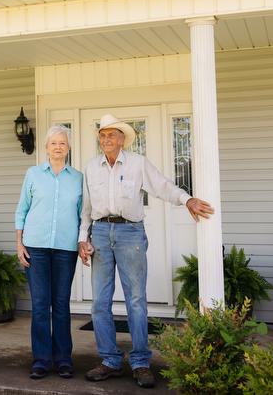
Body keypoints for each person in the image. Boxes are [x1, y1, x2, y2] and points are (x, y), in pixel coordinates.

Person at [78, 113, 214, 389]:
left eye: (112, 135)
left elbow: (162, 186)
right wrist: (83, 239)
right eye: (103, 135)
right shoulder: (91, 168)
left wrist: (186, 199)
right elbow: (87, 210)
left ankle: (140, 363)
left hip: (131, 233)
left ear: (122, 139)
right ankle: (110, 361)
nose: (107, 139)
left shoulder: (138, 163)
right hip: (101, 234)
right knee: (99, 303)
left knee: (136, 300)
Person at [15, 125, 83, 380]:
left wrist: (82, 242)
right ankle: (42, 360)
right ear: (46, 147)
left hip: (66, 248)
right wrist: (19, 244)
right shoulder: (33, 174)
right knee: (41, 305)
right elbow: (21, 210)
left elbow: (82, 214)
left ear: (68, 148)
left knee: (62, 305)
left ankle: (64, 359)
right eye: (53, 143)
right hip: (35, 247)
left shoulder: (78, 178)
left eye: (62, 143)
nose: (58, 147)